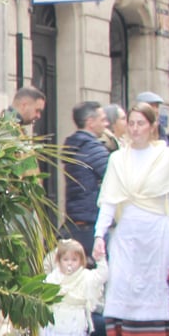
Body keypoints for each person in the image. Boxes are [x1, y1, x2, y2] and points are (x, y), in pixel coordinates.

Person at [92, 102, 169, 336]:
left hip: (156, 231)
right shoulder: (118, 159)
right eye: (131, 123)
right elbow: (108, 199)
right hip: (127, 232)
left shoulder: (164, 157)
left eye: (141, 123)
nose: (135, 128)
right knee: (123, 287)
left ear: (152, 126)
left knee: (152, 290)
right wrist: (99, 234)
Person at [41, 239, 107, 336]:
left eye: (74, 259)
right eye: (66, 259)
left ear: (81, 261)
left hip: (76, 318)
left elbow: (101, 276)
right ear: (59, 261)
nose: (70, 263)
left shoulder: (85, 276)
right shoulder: (53, 278)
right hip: (58, 318)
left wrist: (101, 259)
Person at [62, 101, 111, 249]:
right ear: (90, 122)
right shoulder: (92, 148)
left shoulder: (74, 145)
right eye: (102, 119)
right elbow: (114, 177)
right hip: (91, 220)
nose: (107, 124)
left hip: (76, 219)